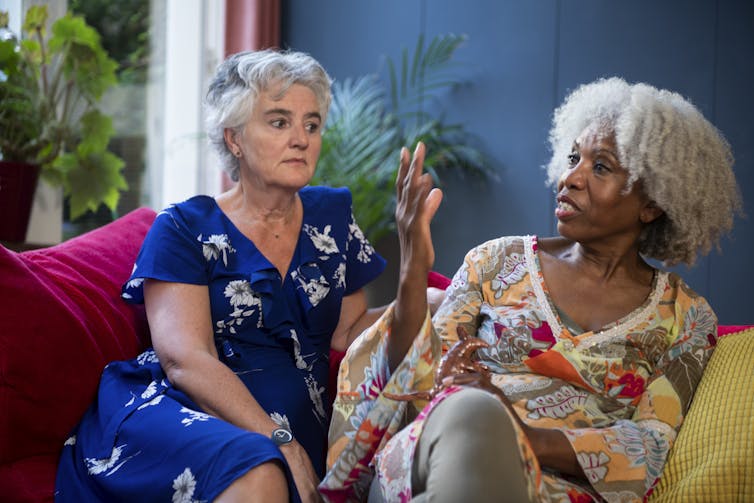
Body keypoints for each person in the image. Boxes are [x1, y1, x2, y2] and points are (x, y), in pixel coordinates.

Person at [322, 77, 742, 502]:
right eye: (573, 157)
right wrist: (413, 264)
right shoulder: (496, 262)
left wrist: (520, 434)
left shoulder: (684, 317)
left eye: (601, 167)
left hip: (550, 488)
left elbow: (649, 445)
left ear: (653, 203)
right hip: (436, 451)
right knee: (469, 412)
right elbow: (413, 383)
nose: (570, 178)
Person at [55, 49, 393, 503]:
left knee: (263, 467)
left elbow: (348, 334)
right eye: (279, 122)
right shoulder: (183, 227)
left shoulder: (333, 215)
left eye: (311, 125)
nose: (301, 139)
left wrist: (419, 282)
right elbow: (186, 361)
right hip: (186, 413)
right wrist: (282, 442)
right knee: (260, 473)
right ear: (234, 139)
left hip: (283, 431)